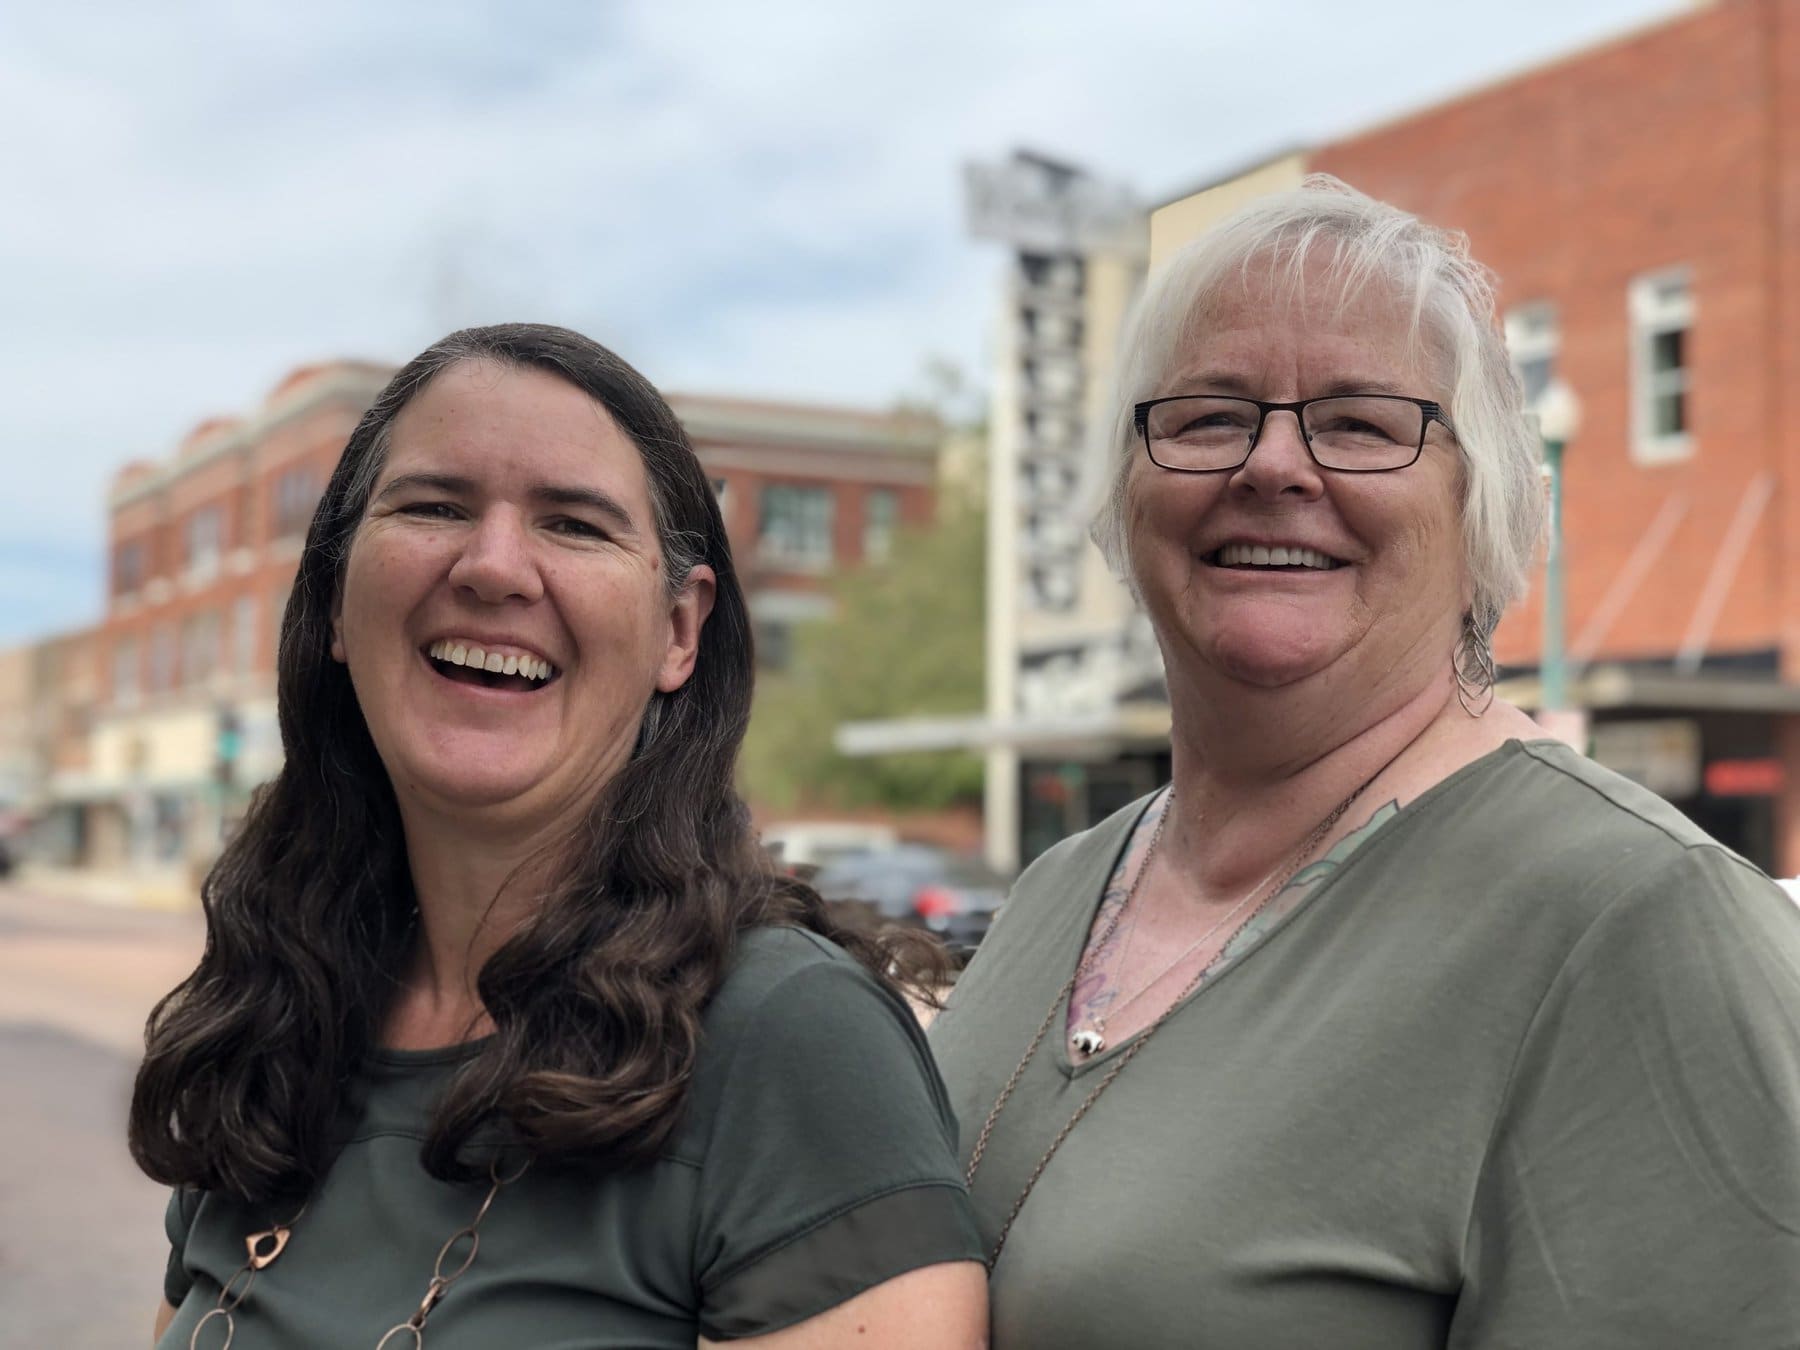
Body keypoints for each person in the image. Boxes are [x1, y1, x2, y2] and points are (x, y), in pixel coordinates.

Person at [929, 178, 1800, 1347]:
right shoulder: (1056, 891)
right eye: (1205, 415)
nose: (1274, 465)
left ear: (1479, 503)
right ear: (1126, 492)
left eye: (1361, 422)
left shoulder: (1636, 921)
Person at [132, 324, 987, 1348]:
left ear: (680, 631)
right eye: (435, 505)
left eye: (576, 525)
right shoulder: (275, 1014)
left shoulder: (788, 1040)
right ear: (335, 605)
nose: (494, 567)